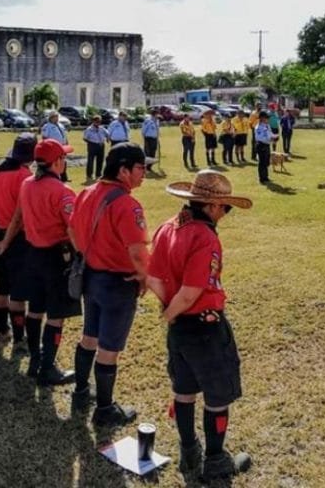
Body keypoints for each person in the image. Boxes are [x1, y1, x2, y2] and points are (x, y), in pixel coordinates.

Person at [146, 169, 253, 481]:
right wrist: (174, 311)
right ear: (211, 206)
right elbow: (192, 291)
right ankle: (216, 460)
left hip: (179, 327)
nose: (225, 214)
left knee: (184, 390)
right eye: (225, 207)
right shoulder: (204, 237)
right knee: (217, 394)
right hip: (205, 326)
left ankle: (188, 452)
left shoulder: (168, 226)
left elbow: (153, 279)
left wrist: (171, 312)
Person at [69, 143, 149, 427]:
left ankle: (80, 393)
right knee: (109, 347)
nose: (145, 174)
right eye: (141, 168)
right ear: (124, 170)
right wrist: (144, 277)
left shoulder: (87, 192)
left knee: (89, 335)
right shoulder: (127, 204)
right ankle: (104, 409)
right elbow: (138, 252)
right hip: (118, 282)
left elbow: (72, 230)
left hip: (91, 276)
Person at [0, 139, 79, 385]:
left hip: (32, 255)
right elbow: (72, 227)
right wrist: (83, 254)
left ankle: (35, 360)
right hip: (57, 257)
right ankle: (48, 367)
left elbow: (17, 218)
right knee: (56, 315)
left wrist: (5, 243)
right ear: (57, 162)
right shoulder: (62, 192)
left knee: (36, 309)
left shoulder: (27, 184)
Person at [0, 134, 37, 348]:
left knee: (1, 287)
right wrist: (6, 241)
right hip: (16, 239)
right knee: (18, 292)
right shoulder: (25, 176)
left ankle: (3, 330)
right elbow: (19, 216)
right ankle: (18, 338)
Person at [42, 111, 70, 181]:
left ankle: (64, 177)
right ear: (51, 118)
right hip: (53, 147)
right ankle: (55, 176)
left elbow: (64, 135)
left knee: (63, 161)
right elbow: (44, 137)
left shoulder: (60, 125)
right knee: (55, 162)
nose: (56, 118)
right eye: (55, 117)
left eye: (57, 117)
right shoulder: (47, 126)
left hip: (62, 146)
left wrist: (66, 143)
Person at [82, 115, 108, 181]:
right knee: (90, 161)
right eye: (97, 121)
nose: (98, 123)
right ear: (93, 121)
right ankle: (89, 175)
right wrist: (91, 143)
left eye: (99, 121)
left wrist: (107, 138)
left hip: (101, 145)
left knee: (100, 161)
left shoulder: (102, 128)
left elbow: (107, 134)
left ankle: (98, 175)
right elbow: (84, 138)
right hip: (92, 145)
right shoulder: (89, 129)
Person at [254, 112, 272, 184]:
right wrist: (269, 139)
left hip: (267, 145)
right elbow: (260, 137)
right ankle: (261, 178)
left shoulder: (267, 126)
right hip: (261, 145)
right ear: (262, 118)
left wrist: (274, 137)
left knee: (266, 162)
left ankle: (266, 176)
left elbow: (269, 134)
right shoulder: (258, 127)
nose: (267, 119)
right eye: (266, 118)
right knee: (262, 162)